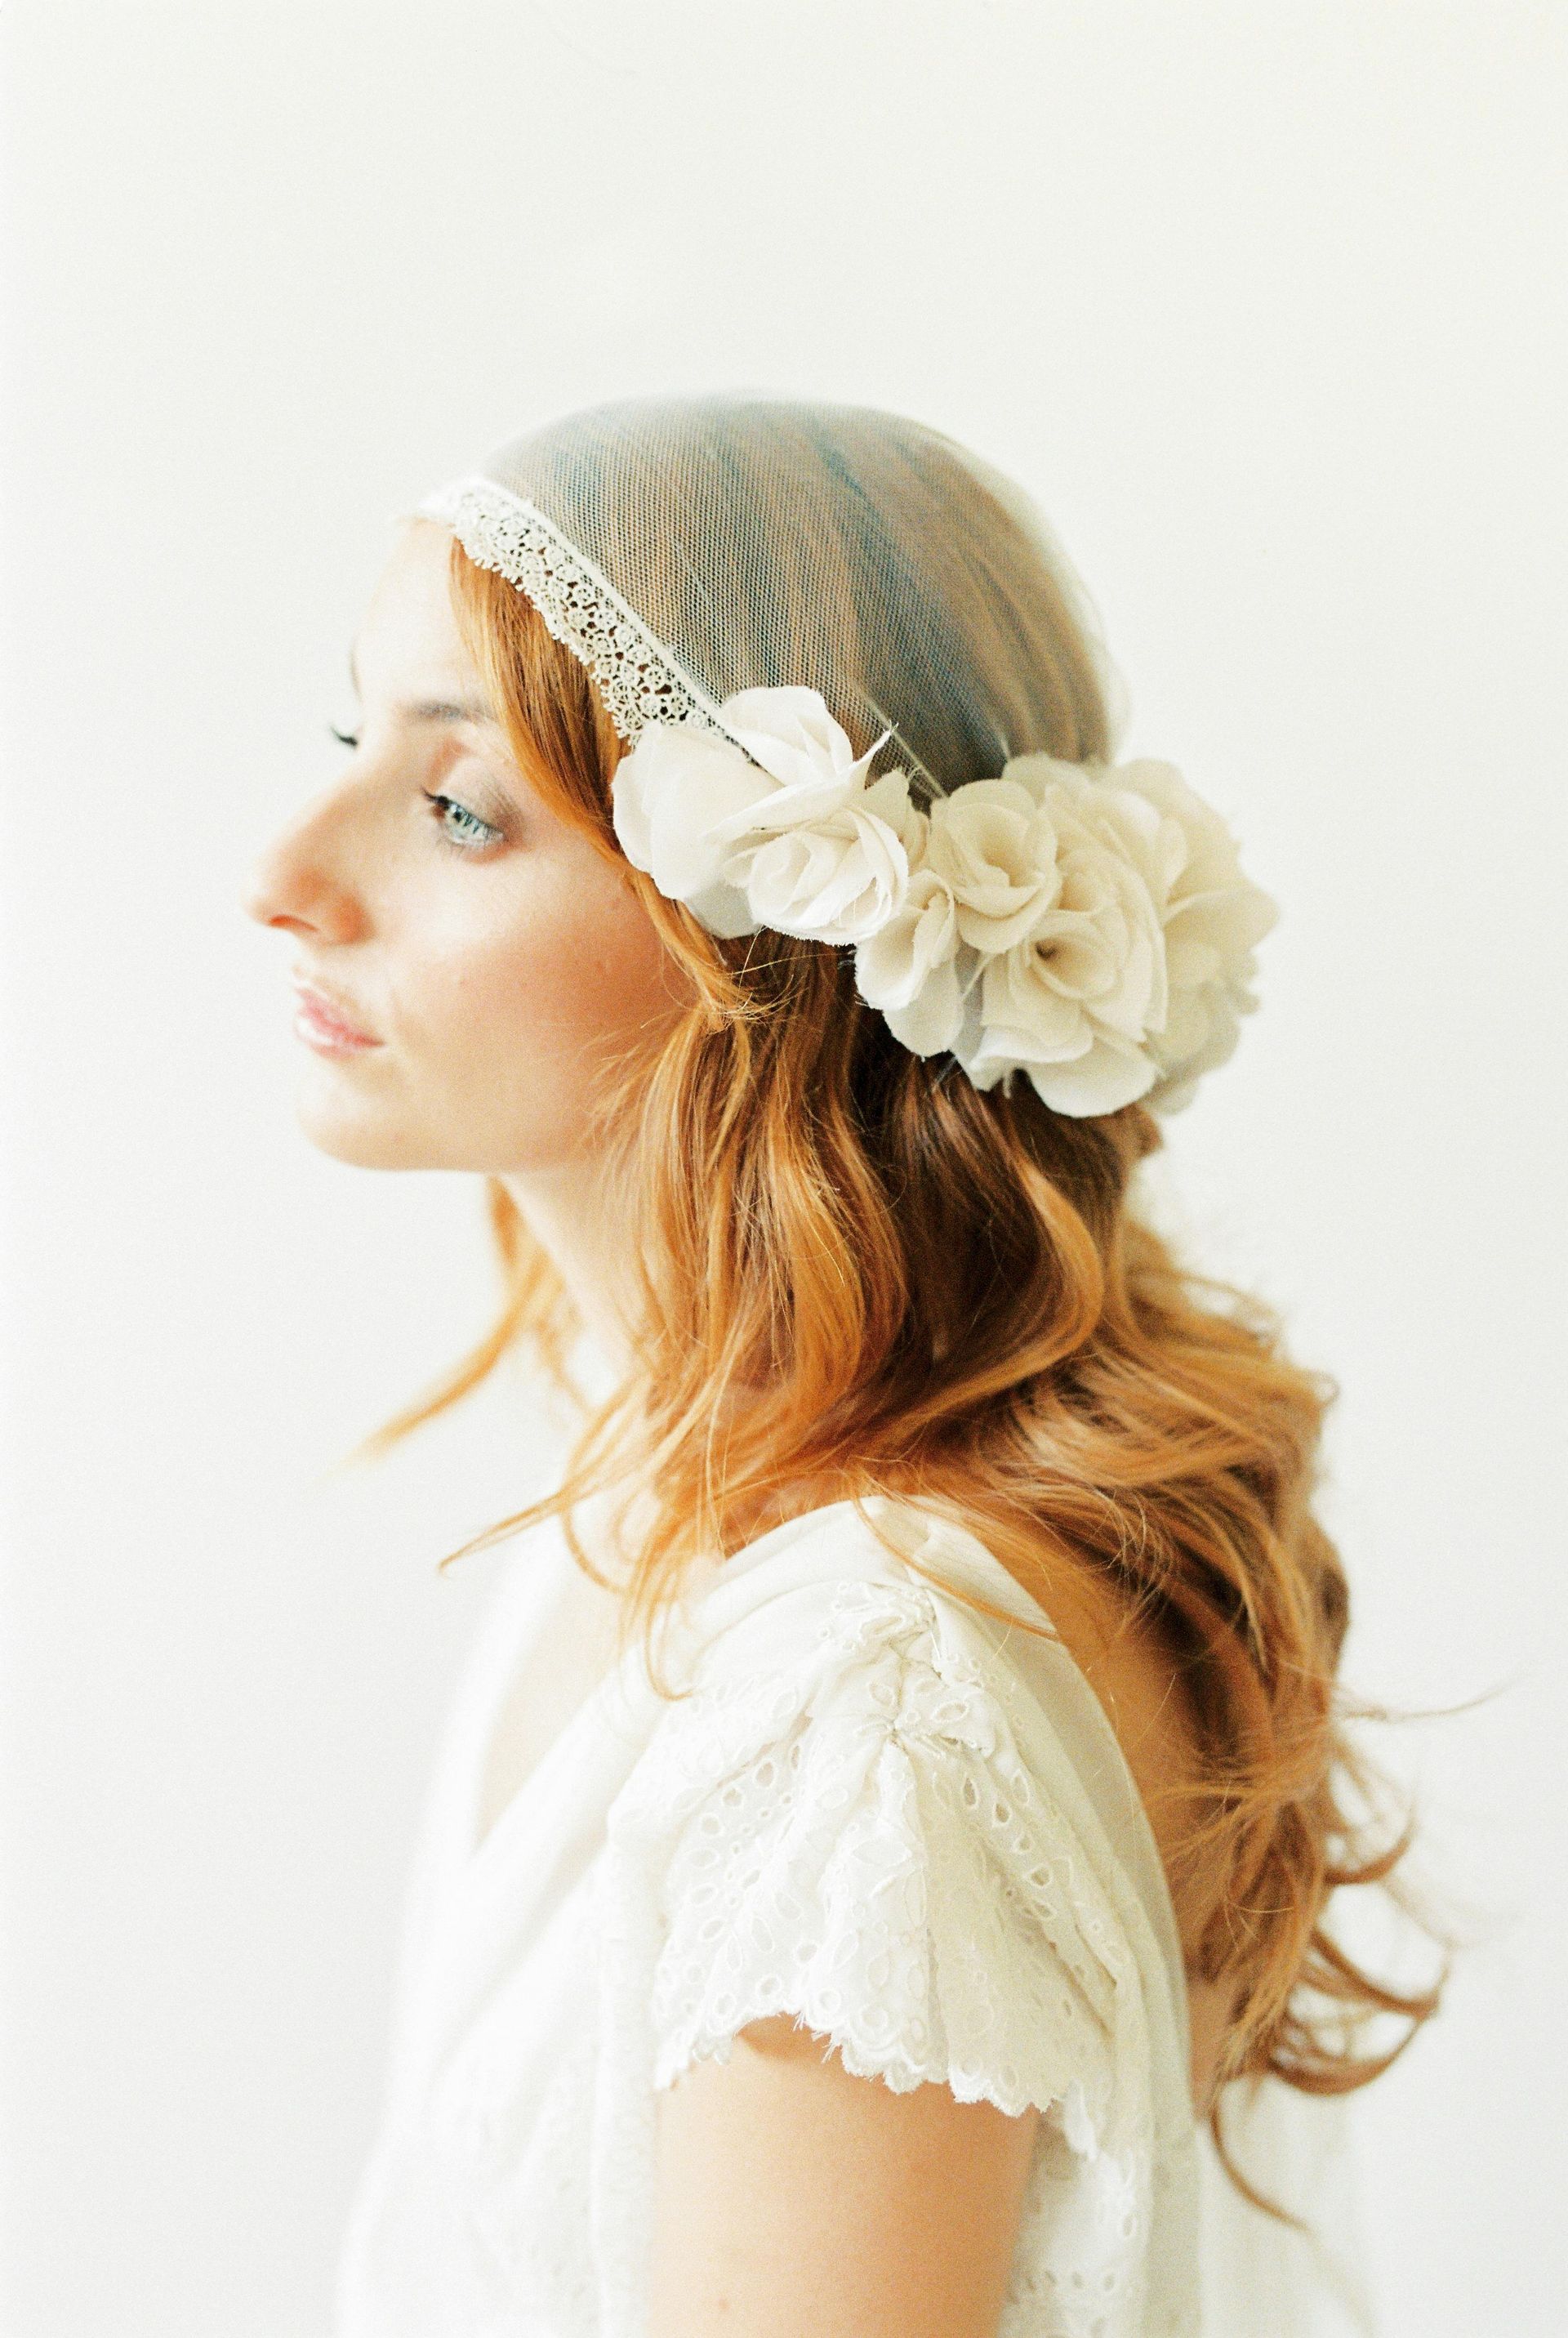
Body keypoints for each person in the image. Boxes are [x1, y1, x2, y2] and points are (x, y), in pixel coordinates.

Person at [243, 395, 1445, 2336]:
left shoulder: (861, 1719)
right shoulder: (670, 1484)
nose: (283, 868)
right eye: (346, 742)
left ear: (780, 940)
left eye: (460, 808)